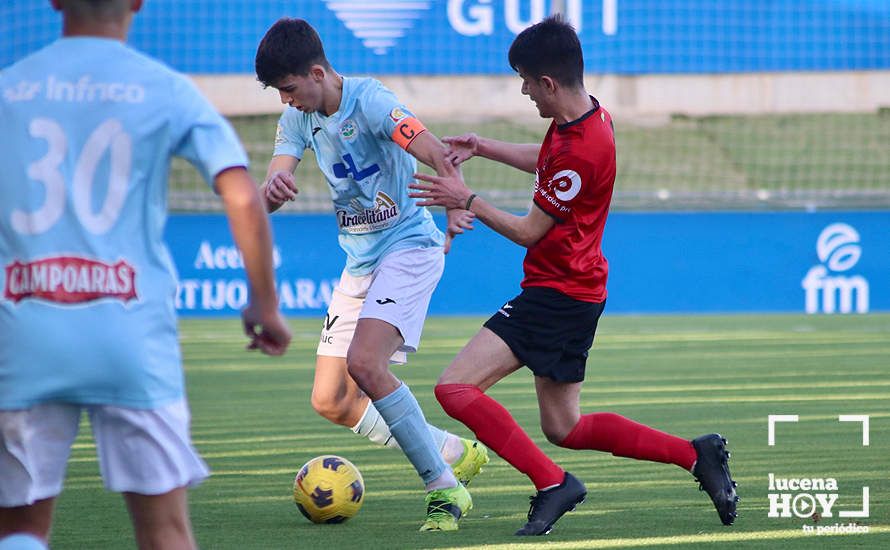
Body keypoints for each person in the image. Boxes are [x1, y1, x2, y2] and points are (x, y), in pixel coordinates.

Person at [410, 15, 739, 536]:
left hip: (554, 294)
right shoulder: (588, 120)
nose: (523, 93)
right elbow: (547, 164)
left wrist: (465, 198)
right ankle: (695, 455)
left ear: (548, 83)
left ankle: (552, 484)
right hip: (577, 290)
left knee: (454, 389)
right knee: (565, 426)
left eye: (524, 82)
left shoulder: (578, 150)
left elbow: (526, 231)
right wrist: (485, 146)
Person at [0, 1, 292, 549]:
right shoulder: (165, 89)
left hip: (24, 331)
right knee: (165, 533)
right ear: (136, 3)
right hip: (129, 336)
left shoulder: (9, 88)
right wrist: (264, 303)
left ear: (55, 2)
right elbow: (241, 194)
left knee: (19, 530)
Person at [254, 18, 486, 531]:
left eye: (290, 89)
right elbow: (278, 169)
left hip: (409, 246)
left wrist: (454, 200)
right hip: (359, 262)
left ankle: (443, 490)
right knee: (331, 399)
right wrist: (272, 188)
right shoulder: (298, 117)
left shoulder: (373, 102)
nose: (286, 100)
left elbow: (431, 148)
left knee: (366, 363)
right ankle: (452, 451)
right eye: (279, 93)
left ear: (317, 72)